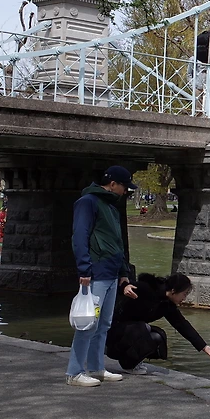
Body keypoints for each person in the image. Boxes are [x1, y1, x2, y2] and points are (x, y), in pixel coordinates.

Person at [67, 165, 139, 387]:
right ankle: (74, 372)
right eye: (125, 186)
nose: (126, 191)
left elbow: (117, 243)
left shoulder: (111, 207)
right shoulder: (88, 202)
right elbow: (80, 236)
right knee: (88, 323)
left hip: (111, 273)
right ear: (113, 184)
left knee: (103, 324)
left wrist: (123, 273)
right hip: (96, 273)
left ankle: (96, 367)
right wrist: (84, 269)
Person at [106, 272, 210, 374]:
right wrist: (125, 287)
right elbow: (121, 285)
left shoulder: (167, 305)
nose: (184, 298)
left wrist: (204, 346)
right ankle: (117, 355)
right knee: (144, 328)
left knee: (158, 336)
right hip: (114, 329)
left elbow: (182, 325)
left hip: (131, 331)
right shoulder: (148, 288)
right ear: (174, 290)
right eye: (184, 294)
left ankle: (131, 364)